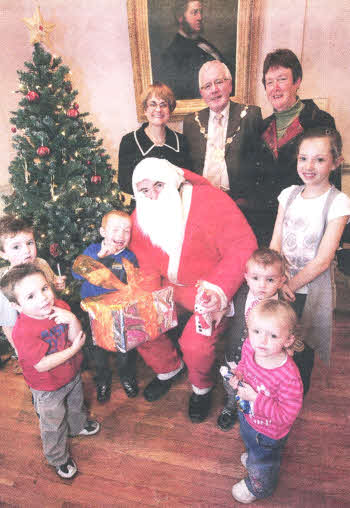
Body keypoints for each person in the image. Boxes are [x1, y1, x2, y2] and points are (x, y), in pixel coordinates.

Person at [130, 157, 257, 423]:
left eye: (158, 185)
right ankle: (168, 369)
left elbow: (242, 246)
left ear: (174, 180)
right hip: (168, 287)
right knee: (138, 321)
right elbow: (144, 263)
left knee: (195, 344)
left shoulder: (211, 201)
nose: (152, 195)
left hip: (207, 288)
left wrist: (218, 289)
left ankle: (202, 388)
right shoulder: (140, 213)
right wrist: (148, 299)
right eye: (144, 190)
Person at [0, 263, 100, 479]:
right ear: (16, 305)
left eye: (44, 288)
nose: (43, 298)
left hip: (71, 374)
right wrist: (73, 350)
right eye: (31, 296)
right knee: (53, 423)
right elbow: (42, 364)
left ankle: (78, 425)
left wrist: (72, 319)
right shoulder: (23, 332)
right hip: (46, 386)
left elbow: (77, 336)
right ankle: (58, 457)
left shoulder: (60, 306)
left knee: (76, 404)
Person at [270, 127, 350, 395]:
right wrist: (276, 280)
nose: (309, 166)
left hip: (308, 289)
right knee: (278, 337)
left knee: (302, 343)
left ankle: (295, 391)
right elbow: (276, 241)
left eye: (319, 159)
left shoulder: (338, 202)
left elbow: (323, 259)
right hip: (281, 284)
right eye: (303, 158)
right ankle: (276, 383)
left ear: (335, 162)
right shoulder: (288, 194)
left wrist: (289, 284)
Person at [253, 48, 339, 246]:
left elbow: (331, 182)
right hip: (267, 229)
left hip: (308, 228)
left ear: (297, 81)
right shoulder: (260, 128)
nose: (275, 88)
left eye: (282, 79)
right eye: (269, 82)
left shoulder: (320, 121)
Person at [229, 299, 303, 503]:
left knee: (264, 463)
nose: (262, 341)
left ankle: (259, 487)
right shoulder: (249, 347)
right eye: (257, 332)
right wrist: (238, 374)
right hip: (248, 417)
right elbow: (244, 365)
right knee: (253, 446)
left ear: (287, 340)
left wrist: (255, 398)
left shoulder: (288, 377)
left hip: (269, 432)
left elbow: (286, 416)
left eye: (273, 336)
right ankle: (255, 457)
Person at [72, 210, 139, 402]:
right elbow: (77, 274)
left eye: (127, 231)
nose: (121, 235)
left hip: (118, 313)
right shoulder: (92, 251)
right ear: (103, 232)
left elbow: (132, 284)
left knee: (124, 349)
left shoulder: (129, 257)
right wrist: (99, 258)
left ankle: (127, 376)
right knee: (97, 350)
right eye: (115, 229)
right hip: (94, 313)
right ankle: (102, 379)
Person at [217, 248, 286, 432]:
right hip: (235, 354)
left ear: (281, 281)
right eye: (255, 278)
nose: (261, 285)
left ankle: (253, 414)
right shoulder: (240, 294)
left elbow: (288, 335)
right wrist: (219, 310)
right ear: (246, 278)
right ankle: (231, 406)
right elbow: (230, 311)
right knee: (231, 384)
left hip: (261, 363)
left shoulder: (283, 308)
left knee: (256, 389)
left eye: (269, 280)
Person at [183, 60, 262, 213]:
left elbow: (259, 167)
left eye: (218, 82)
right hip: (203, 205)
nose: (214, 90)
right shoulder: (191, 122)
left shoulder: (250, 115)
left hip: (240, 206)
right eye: (207, 86)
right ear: (202, 93)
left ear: (230, 85)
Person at [0, 215, 65, 353]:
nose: (26, 250)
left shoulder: (41, 263)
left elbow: (51, 290)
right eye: (16, 247)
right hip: (35, 342)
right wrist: (21, 352)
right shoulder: (6, 285)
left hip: (55, 329)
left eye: (30, 243)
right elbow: (8, 325)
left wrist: (57, 285)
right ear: (3, 254)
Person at [118, 82, 191, 199]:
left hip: (175, 207)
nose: (158, 109)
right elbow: (124, 184)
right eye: (152, 104)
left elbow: (188, 181)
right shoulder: (129, 141)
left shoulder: (181, 141)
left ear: (170, 110)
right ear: (145, 109)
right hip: (142, 208)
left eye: (163, 105)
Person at [158, 1, 234, 99]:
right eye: (194, 13)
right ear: (180, 17)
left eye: (200, 12)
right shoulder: (172, 54)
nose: (200, 17)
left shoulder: (204, 43)